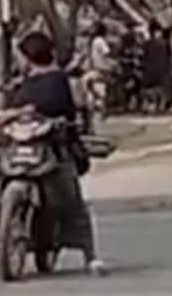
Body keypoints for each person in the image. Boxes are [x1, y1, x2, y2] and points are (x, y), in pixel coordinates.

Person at [14, 32, 105, 275]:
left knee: (71, 200)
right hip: (25, 146)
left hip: (56, 148)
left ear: (27, 57)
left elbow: (47, 108)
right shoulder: (23, 83)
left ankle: (91, 255)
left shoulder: (57, 80)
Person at [140, 21, 171, 114]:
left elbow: (143, 56)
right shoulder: (164, 43)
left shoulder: (146, 44)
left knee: (148, 88)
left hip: (149, 69)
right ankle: (160, 106)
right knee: (160, 88)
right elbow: (168, 56)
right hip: (161, 68)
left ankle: (148, 105)